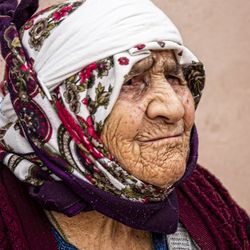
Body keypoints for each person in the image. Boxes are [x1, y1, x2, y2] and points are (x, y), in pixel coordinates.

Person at [0, 0, 249, 249]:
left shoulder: (205, 200)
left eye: (174, 77)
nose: (174, 108)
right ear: (57, 107)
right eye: (130, 81)